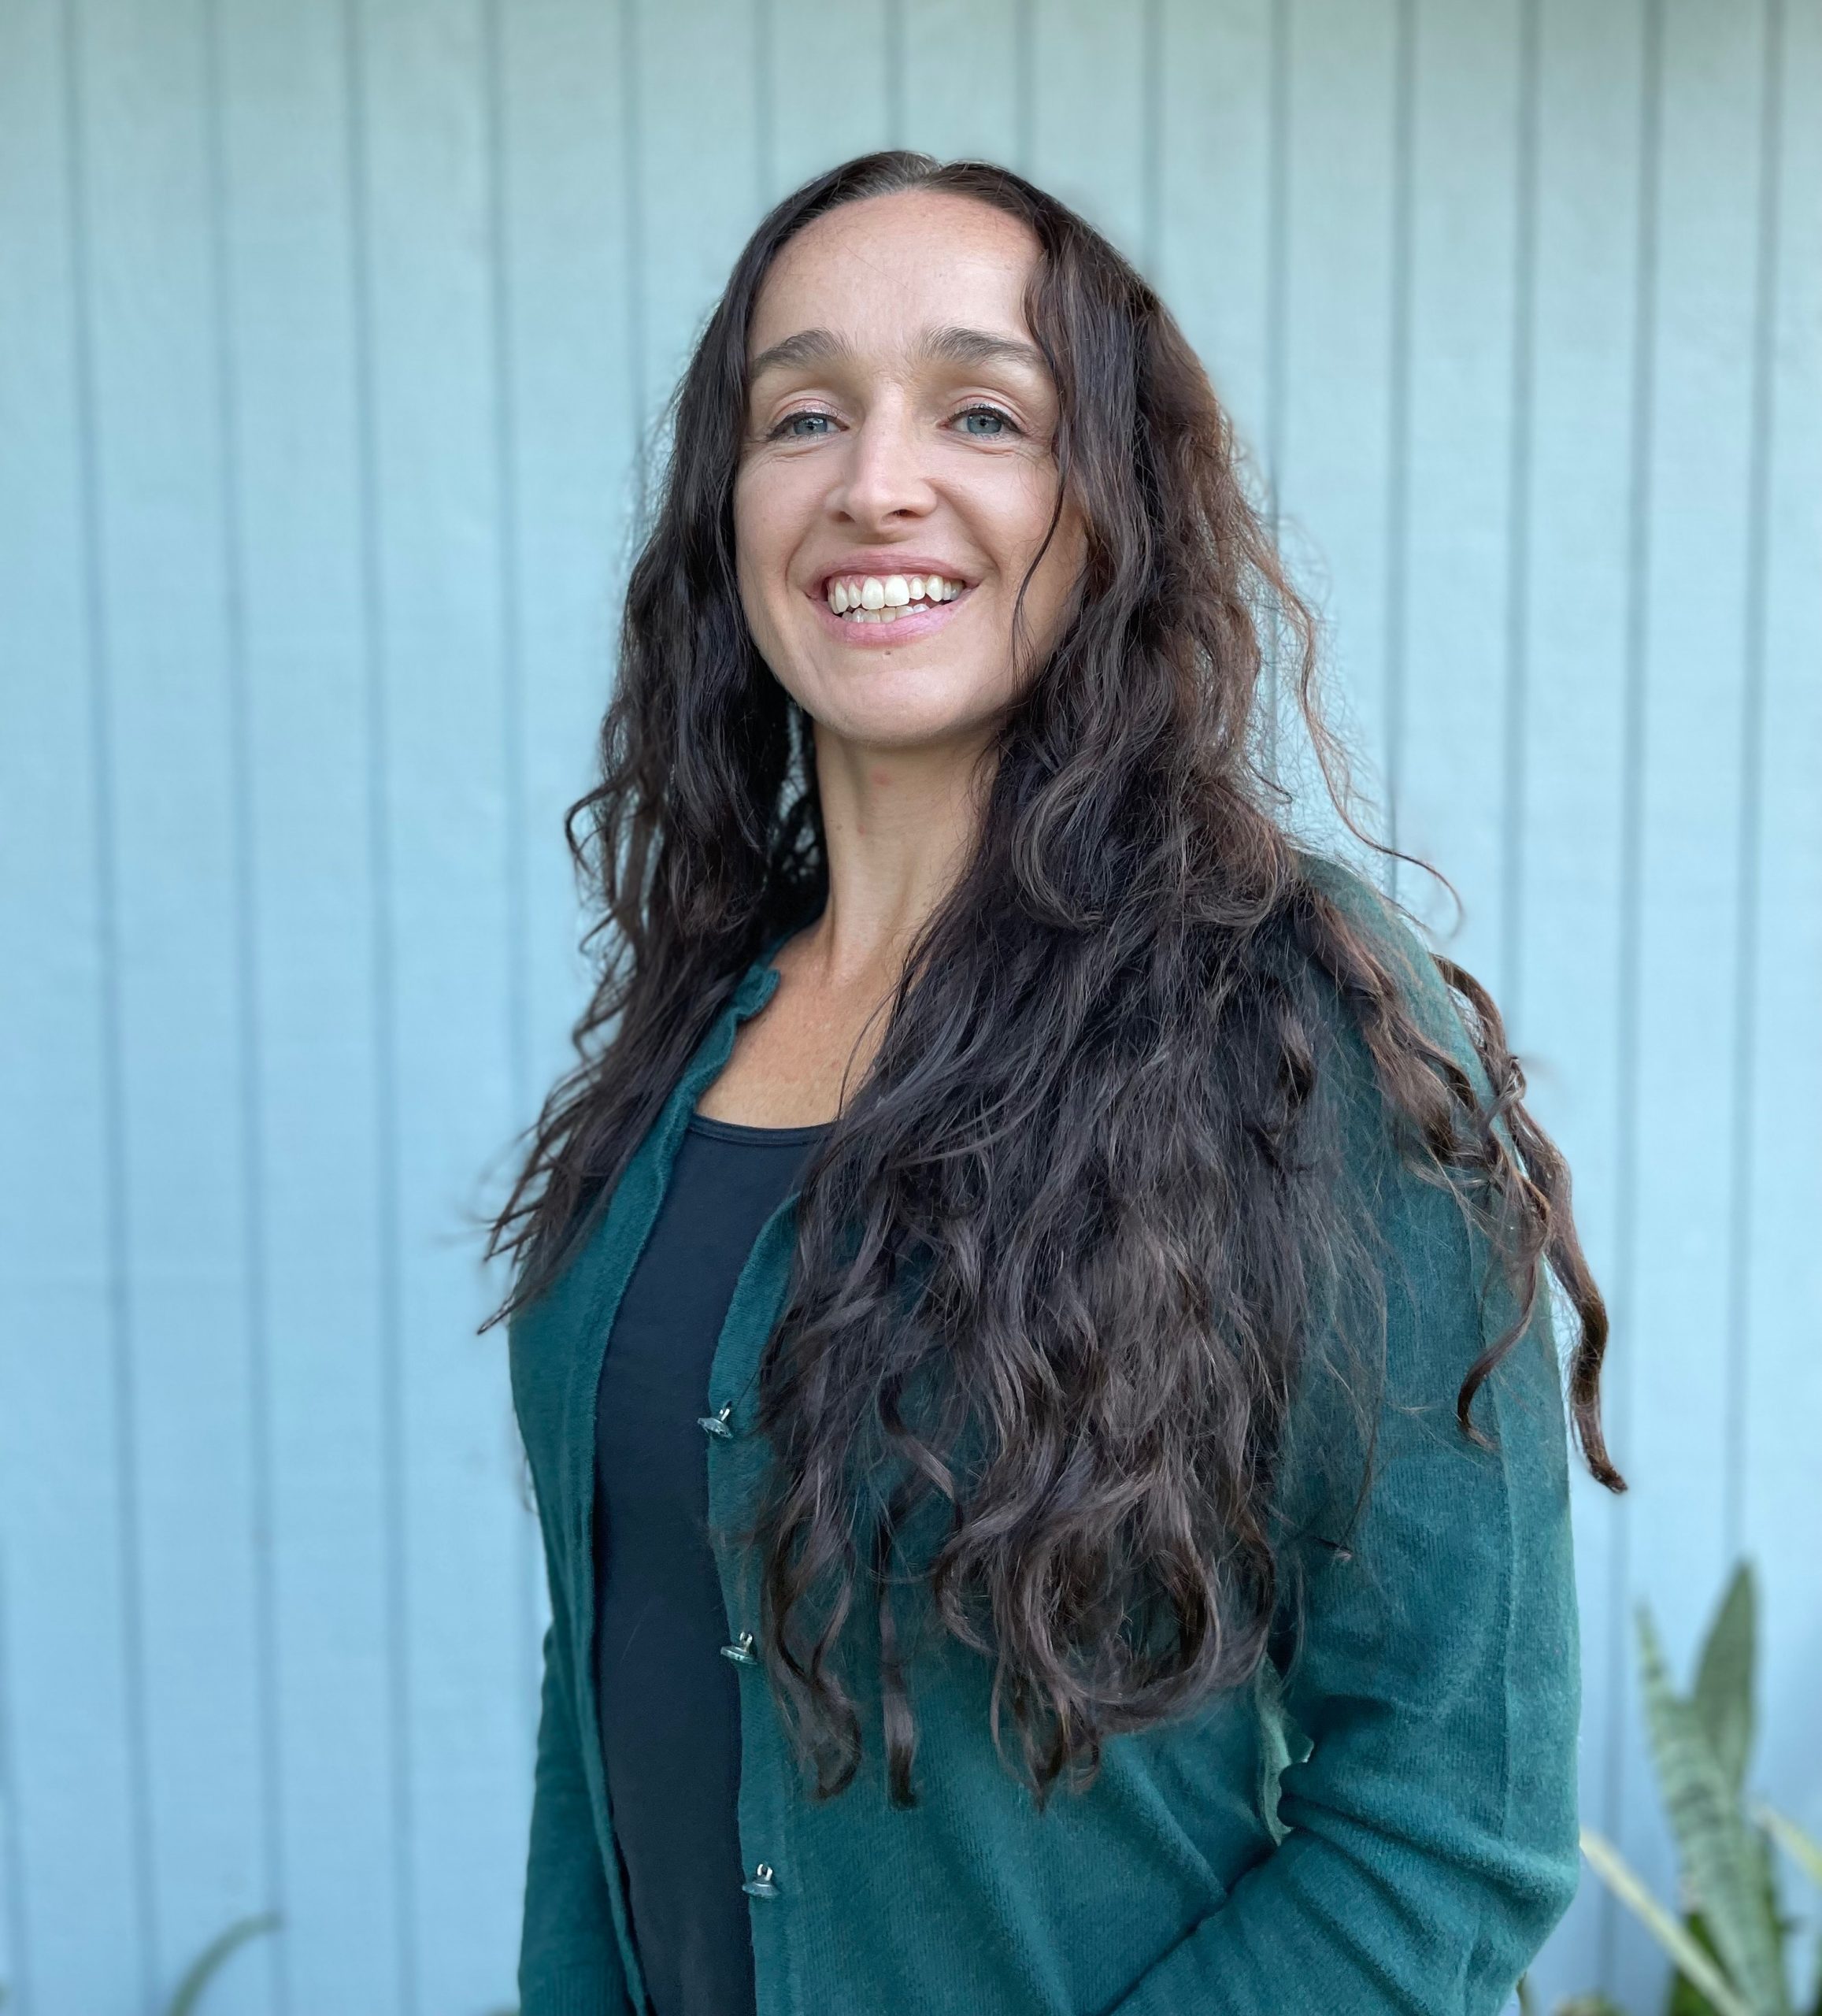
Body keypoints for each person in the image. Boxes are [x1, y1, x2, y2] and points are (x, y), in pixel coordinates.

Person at [482, 149, 1624, 2016]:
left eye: (982, 409)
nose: (875, 480)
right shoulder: (694, 1028)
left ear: (1103, 506)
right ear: (726, 506)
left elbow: (1448, 1814)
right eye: (802, 415)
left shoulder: (1284, 1020)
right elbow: (611, 1671)